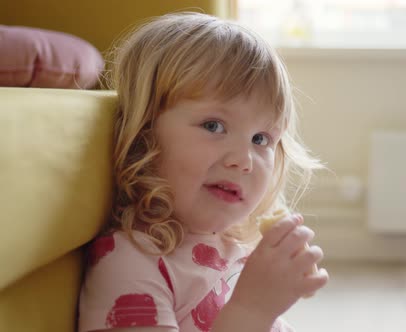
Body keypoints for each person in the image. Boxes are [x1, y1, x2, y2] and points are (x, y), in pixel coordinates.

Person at [77, 12, 329, 332]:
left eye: (260, 139)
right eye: (214, 126)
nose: (244, 160)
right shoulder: (130, 262)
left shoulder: (232, 250)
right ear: (144, 134)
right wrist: (252, 309)